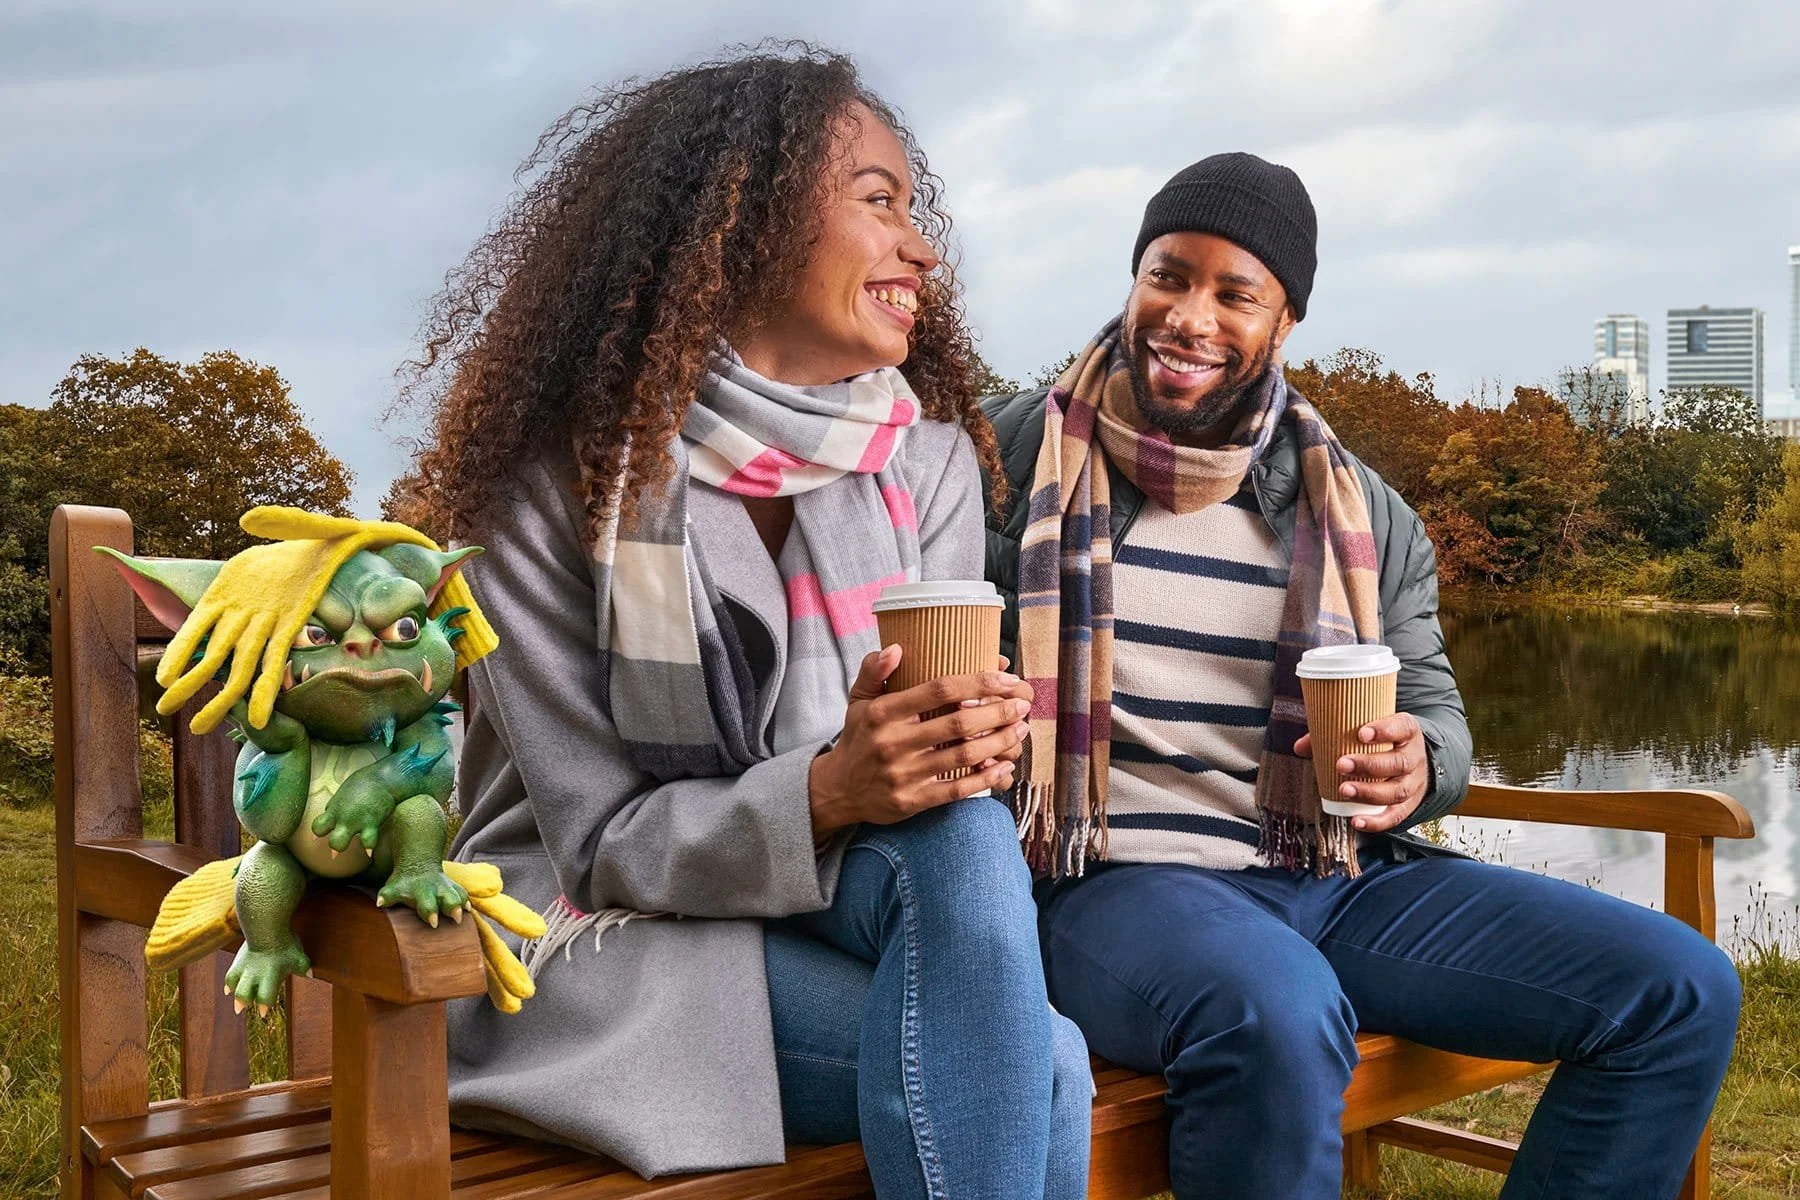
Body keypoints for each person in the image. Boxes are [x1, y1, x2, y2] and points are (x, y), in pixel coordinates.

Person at [981, 152, 1741, 1199]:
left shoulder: (1359, 510)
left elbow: (1437, 716)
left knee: (1679, 988)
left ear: (1284, 320)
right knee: (1277, 1013)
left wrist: (1418, 765)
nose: (1191, 317)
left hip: (1332, 872)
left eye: (1235, 293)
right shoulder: (1006, 455)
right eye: (1168, 275)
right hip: (1110, 880)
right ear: (1135, 278)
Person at [405, 45, 1091, 1197]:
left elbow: (924, 799)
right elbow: (602, 845)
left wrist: (954, 746)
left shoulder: (923, 465)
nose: (922, 247)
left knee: (966, 841)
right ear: (745, 223)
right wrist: (828, 789)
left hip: (832, 888)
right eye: (879, 202)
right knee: (1045, 1066)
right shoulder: (554, 489)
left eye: (913, 209)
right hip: (607, 932)